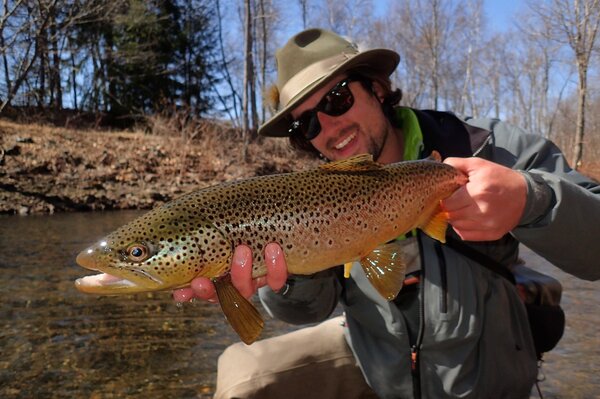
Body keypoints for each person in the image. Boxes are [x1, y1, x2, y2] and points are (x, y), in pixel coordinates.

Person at [173, 28, 600, 398]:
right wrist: (287, 273)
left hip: (485, 375)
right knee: (243, 376)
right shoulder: (308, 201)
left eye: (337, 99)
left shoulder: (482, 145)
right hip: (380, 365)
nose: (327, 128)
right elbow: (306, 313)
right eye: (306, 125)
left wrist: (531, 199)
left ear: (377, 88)